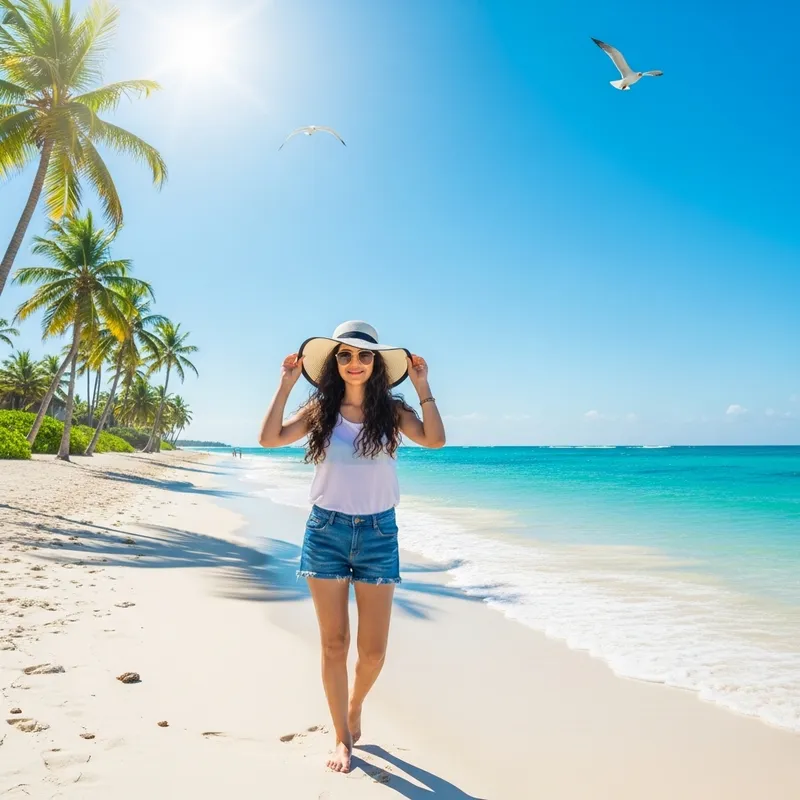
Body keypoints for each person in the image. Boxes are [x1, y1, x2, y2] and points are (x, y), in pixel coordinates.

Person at [258, 320, 445, 773]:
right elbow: (269, 439)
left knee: (375, 652)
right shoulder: (320, 410)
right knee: (335, 642)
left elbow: (435, 440)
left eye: (364, 355)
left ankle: (354, 706)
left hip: (380, 533)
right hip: (326, 532)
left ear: (376, 363)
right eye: (345, 355)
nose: (355, 362)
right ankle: (342, 736)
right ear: (334, 363)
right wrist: (284, 387)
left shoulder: (394, 411)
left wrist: (423, 386)